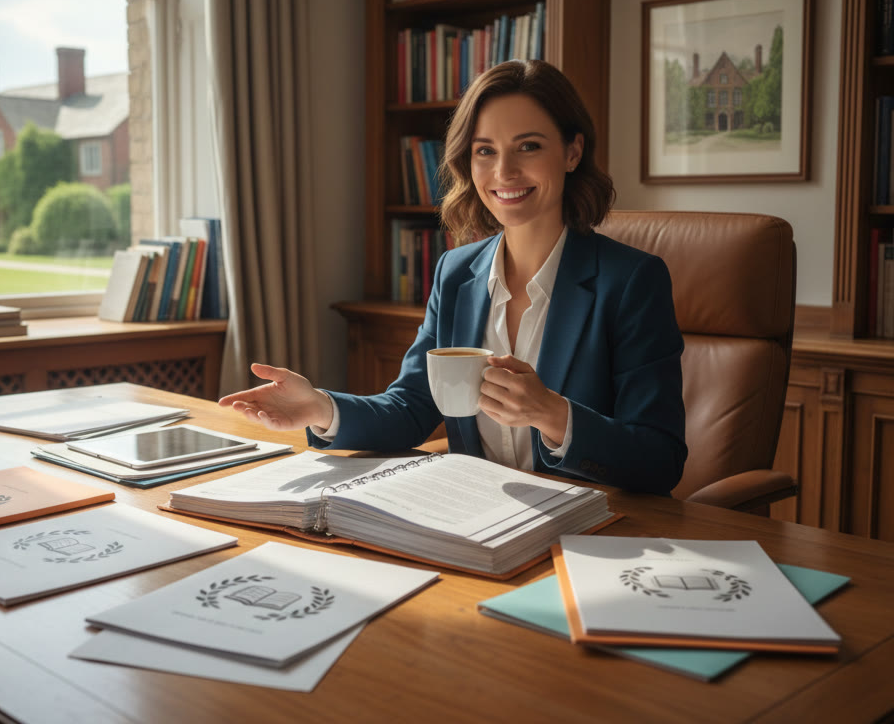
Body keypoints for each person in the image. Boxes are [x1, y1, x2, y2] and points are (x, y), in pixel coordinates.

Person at [219, 59, 686, 495]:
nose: (504, 171)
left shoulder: (631, 282)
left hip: (589, 532)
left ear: (572, 151)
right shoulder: (456, 272)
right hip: (475, 519)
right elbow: (412, 406)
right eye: (485, 151)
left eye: (529, 146)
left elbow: (660, 459)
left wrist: (555, 415)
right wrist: (321, 408)